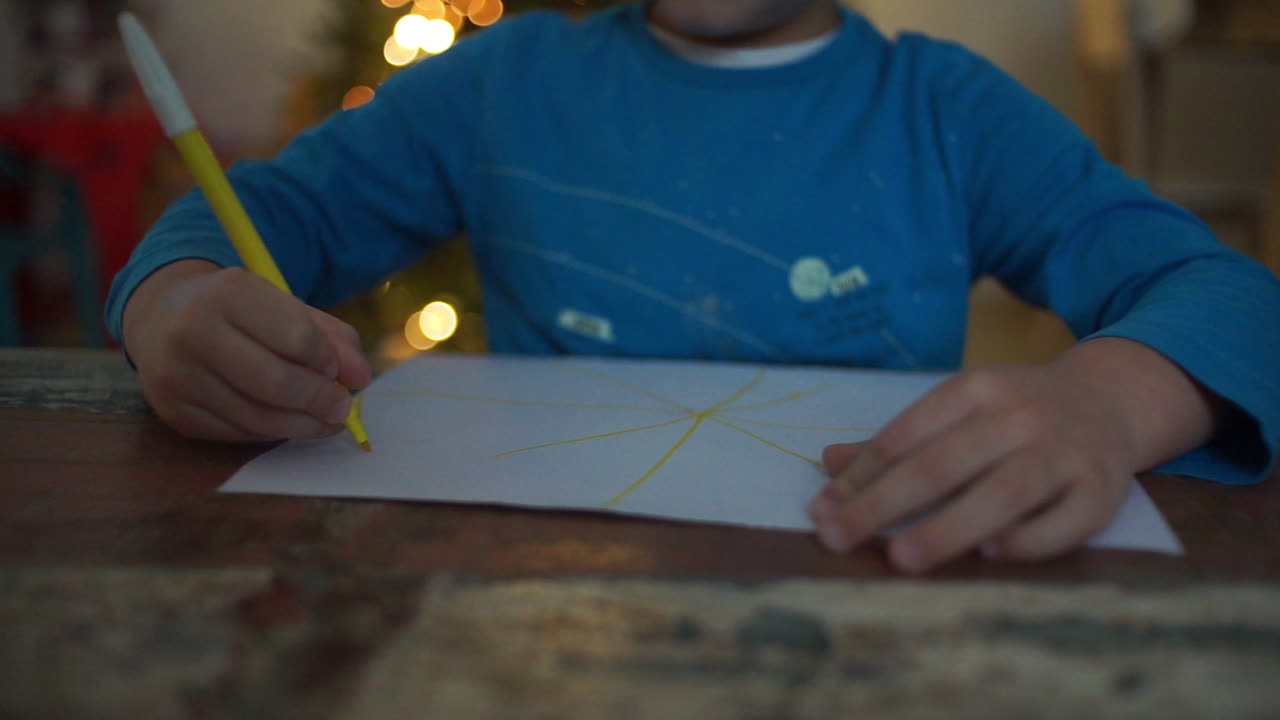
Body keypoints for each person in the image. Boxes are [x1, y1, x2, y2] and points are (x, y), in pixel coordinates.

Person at [106, 0, 1280, 573]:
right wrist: (175, 302)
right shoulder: (501, 85)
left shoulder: (943, 111)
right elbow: (267, 215)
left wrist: (1107, 405)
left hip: (878, 605)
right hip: (528, 615)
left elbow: (1221, 291)